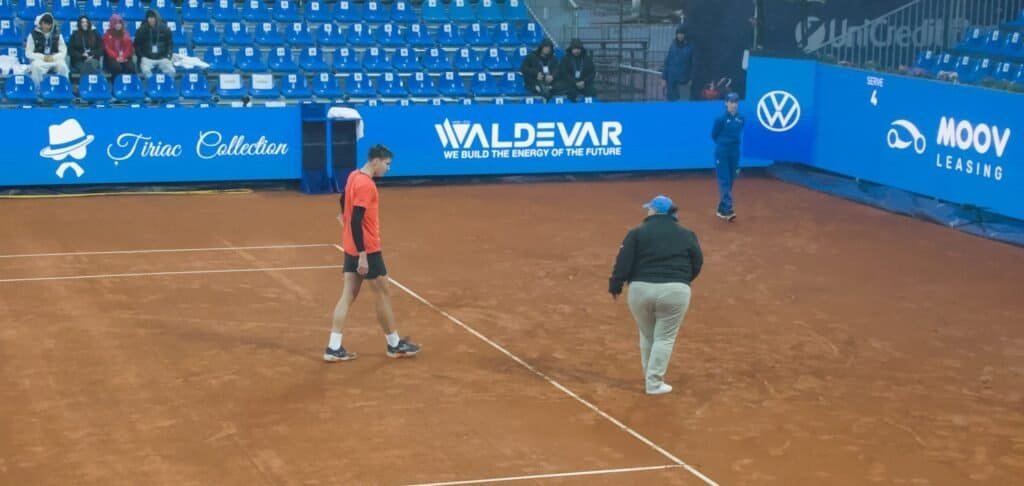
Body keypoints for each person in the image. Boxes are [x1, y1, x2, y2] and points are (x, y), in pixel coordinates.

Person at [324, 144, 421, 362]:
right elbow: (358, 218)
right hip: (367, 248)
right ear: (376, 161)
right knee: (383, 294)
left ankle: (333, 347)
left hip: (350, 244)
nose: (388, 168)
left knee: (347, 295)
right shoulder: (366, 185)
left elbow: (343, 199)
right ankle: (394, 345)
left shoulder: (353, 176)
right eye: (387, 164)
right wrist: (363, 254)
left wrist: (342, 215)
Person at [609, 195, 703, 395]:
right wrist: (683, 280)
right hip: (675, 290)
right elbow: (697, 262)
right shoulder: (687, 234)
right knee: (664, 338)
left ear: (653, 211)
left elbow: (623, 260)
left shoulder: (637, 233)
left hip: (640, 290)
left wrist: (616, 285)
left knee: (647, 334)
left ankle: (649, 378)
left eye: (649, 209)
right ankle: (653, 383)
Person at [711, 92, 745, 221]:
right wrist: (723, 145)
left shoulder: (741, 118)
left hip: (735, 153)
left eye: (736, 102)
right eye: (731, 102)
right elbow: (714, 135)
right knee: (724, 180)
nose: (734, 104)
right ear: (726, 103)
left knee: (731, 179)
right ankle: (728, 209)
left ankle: (721, 208)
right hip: (722, 152)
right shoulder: (720, 119)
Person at [25, 13, 69, 86]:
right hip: (40, 60)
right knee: (36, 67)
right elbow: (28, 53)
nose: (46, 26)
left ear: (51, 25)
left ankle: (63, 87)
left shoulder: (57, 35)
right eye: (44, 24)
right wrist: (43, 57)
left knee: (63, 67)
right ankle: (37, 88)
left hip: (54, 59)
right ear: (40, 24)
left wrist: (53, 57)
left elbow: (63, 51)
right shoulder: (33, 35)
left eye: (48, 24)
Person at [133, 9, 174, 79]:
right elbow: (137, 45)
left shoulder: (165, 29)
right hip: (147, 58)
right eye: (149, 18)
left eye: (153, 18)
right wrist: (141, 56)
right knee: (145, 70)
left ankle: (169, 84)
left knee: (171, 70)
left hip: (162, 57)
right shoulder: (141, 30)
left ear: (157, 18)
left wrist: (168, 56)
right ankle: (152, 85)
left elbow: (169, 44)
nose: (151, 20)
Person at [661, 25, 694, 101]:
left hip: (684, 80)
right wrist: (664, 78)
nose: (680, 36)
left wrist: (691, 78)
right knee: (671, 102)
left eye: (682, 33)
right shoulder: (673, 45)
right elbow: (667, 62)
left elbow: (693, 64)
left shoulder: (690, 47)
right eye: (678, 33)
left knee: (683, 102)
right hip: (671, 80)